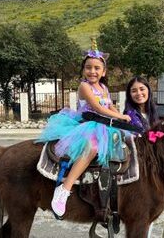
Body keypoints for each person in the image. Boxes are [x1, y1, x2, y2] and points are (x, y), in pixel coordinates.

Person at [36, 38, 131, 218]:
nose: (92, 71)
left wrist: (121, 116)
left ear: (104, 72)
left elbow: (109, 106)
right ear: (83, 69)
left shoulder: (103, 87)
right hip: (87, 124)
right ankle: (64, 189)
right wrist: (119, 116)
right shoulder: (84, 86)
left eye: (97, 68)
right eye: (88, 67)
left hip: (104, 124)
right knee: (93, 148)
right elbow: (98, 108)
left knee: (124, 144)